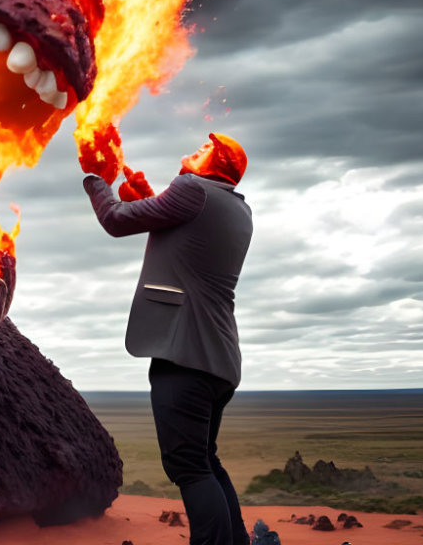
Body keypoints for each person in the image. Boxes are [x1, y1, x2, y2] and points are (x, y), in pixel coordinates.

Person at [83, 133, 253, 545]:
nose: (195, 149)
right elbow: (182, 232)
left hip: (184, 354)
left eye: (205, 149)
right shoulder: (236, 206)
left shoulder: (192, 188)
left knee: (188, 466)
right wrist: (144, 194)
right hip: (218, 360)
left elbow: (116, 220)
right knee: (205, 460)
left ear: (218, 164)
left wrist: (95, 177)